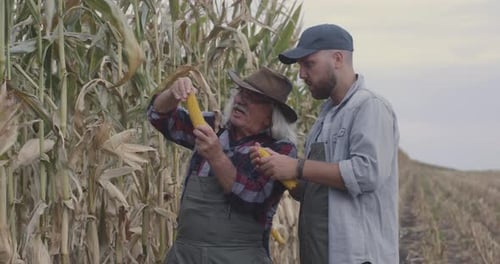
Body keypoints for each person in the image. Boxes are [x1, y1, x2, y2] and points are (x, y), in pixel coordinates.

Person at [251, 24, 400, 263]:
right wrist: (279, 170)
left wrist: (297, 167)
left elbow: (367, 173)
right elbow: (313, 192)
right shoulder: (326, 117)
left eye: (308, 64)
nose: (301, 74)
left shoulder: (369, 107)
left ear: (338, 58)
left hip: (356, 257)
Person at [147, 66, 298, 264]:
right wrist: (172, 94)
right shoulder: (213, 127)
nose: (241, 100)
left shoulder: (280, 150)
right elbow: (159, 117)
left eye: (252, 98)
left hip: (239, 256)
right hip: (185, 255)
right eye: (240, 92)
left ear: (271, 116)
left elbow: (253, 198)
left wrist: (216, 157)